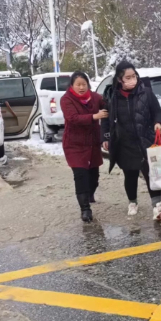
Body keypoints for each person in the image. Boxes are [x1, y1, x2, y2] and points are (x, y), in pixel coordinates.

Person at [101, 61, 161, 221]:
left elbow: (157, 112)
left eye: (134, 76)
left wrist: (158, 123)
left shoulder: (147, 93)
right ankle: (132, 202)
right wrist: (105, 136)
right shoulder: (112, 97)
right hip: (124, 143)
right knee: (130, 175)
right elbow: (105, 118)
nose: (132, 80)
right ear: (119, 79)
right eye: (128, 77)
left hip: (145, 140)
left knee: (151, 173)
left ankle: (157, 206)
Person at [60, 71, 108, 223]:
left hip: (92, 143)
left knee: (94, 177)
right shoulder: (66, 99)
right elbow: (73, 118)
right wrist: (94, 116)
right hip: (74, 144)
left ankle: (89, 194)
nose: (81, 88)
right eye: (78, 85)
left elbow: (107, 103)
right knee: (80, 176)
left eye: (84, 84)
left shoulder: (94, 97)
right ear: (72, 86)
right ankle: (85, 209)